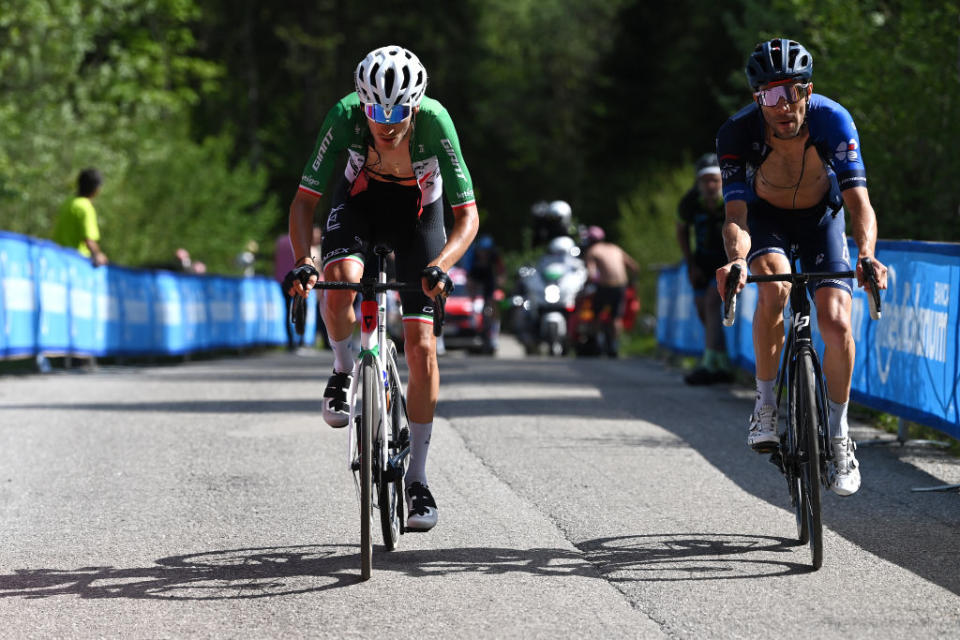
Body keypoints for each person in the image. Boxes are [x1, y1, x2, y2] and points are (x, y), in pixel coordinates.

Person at [285, 45, 479, 531]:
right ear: (361, 103)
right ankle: (343, 367)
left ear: (416, 106)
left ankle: (417, 479)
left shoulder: (436, 122)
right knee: (340, 288)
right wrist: (305, 261)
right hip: (360, 207)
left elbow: (467, 216)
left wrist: (441, 264)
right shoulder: (344, 117)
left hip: (419, 218)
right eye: (375, 111)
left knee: (421, 349)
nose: (386, 123)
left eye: (398, 113)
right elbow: (304, 201)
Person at [715, 38, 888, 496]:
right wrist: (736, 261)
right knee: (773, 291)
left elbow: (859, 204)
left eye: (794, 91)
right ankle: (766, 405)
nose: (784, 105)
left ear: (808, 91)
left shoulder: (833, 120)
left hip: (822, 218)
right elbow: (736, 218)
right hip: (767, 221)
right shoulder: (736, 134)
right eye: (772, 95)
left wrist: (867, 253)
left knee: (835, 321)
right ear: (757, 99)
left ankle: (838, 433)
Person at [676, 153, 734, 384]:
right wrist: (690, 264)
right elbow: (681, 231)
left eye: (715, 180)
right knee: (702, 309)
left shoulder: (732, 199)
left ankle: (708, 362)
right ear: (698, 183)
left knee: (712, 302)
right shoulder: (689, 202)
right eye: (705, 181)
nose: (710, 185)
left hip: (726, 261)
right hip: (701, 261)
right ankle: (720, 359)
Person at [581, 225, 639, 357]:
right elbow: (634, 267)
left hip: (605, 286)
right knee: (616, 317)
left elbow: (591, 273)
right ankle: (614, 346)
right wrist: (633, 284)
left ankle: (595, 344)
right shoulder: (615, 248)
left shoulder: (593, 251)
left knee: (596, 314)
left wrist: (587, 285)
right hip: (621, 286)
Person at [51, 168, 108, 266]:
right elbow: (89, 240)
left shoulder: (68, 202)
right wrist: (98, 255)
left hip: (56, 257)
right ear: (96, 189)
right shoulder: (85, 207)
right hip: (75, 262)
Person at [466, 234, 505, 353]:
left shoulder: (494, 255)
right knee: (472, 296)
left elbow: (501, 270)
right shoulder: (472, 255)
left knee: (492, 301)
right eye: (482, 251)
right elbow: (468, 275)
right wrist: (472, 294)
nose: (484, 254)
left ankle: (493, 332)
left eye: (486, 252)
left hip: (488, 277)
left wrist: (501, 279)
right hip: (476, 275)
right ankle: (473, 318)